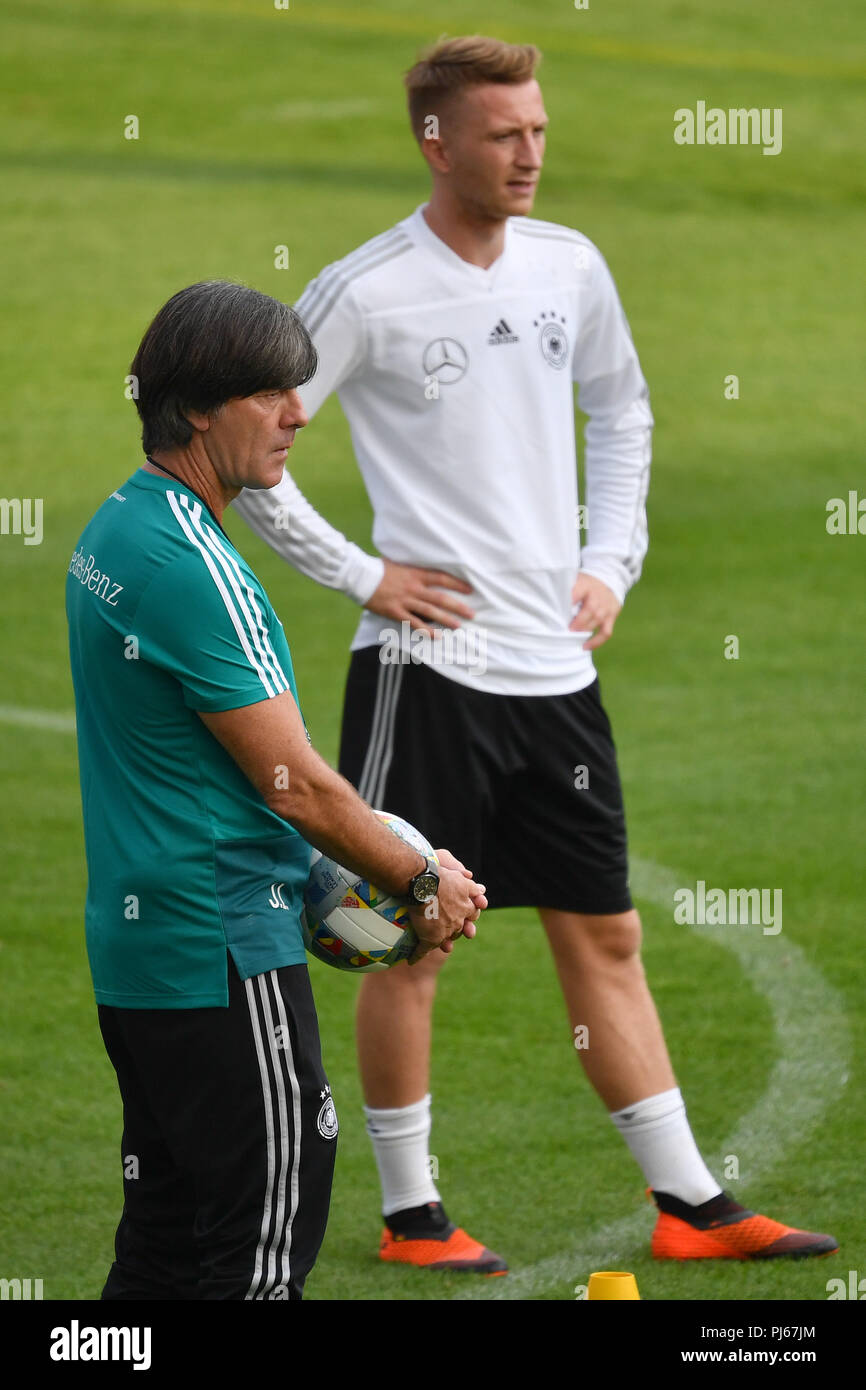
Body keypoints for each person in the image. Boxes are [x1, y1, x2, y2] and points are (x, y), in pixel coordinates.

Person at [233, 36, 837, 1271]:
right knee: (410, 932)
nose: (530, 154)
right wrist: (365, 574)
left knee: (603, 932)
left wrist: (607, 561)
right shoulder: (365, 289)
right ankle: (413, 1218)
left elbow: (622, 408)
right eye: (504, 134)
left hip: (555, 677)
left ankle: (687, 1203)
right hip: (424, 670)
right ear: (435, 140)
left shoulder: (570, 266)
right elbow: (253, 442)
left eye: (539, 130)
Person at [66, 280, 484, 1301]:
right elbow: (293, 784)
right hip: (222, 949)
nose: (299, 413)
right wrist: (420, 881)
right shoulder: (195, 564)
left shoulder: (114, 532)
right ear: (199, 407)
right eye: (271, 392)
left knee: (163, 1251)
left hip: (145, 951)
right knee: (258, 1254)